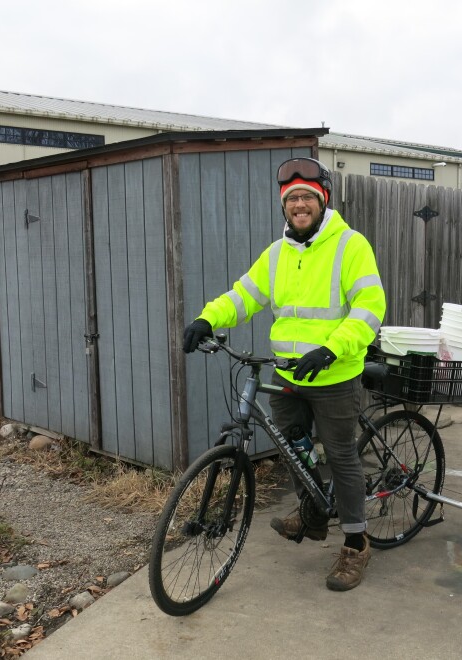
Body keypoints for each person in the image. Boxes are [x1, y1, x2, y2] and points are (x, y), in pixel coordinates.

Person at [183, 157, 386, 591]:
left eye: (306, 197)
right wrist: (208, 319)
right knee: (292, 447)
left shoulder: (350, 245)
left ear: (321, 202)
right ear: (284, 207)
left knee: (341, 457)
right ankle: (313, 514)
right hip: (288, 375)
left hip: (334, 373)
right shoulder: (276, 255)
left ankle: (355, 542)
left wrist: (332, 348)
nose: (299, 204)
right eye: (291, 199)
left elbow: (371, 308)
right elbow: (244, 296)